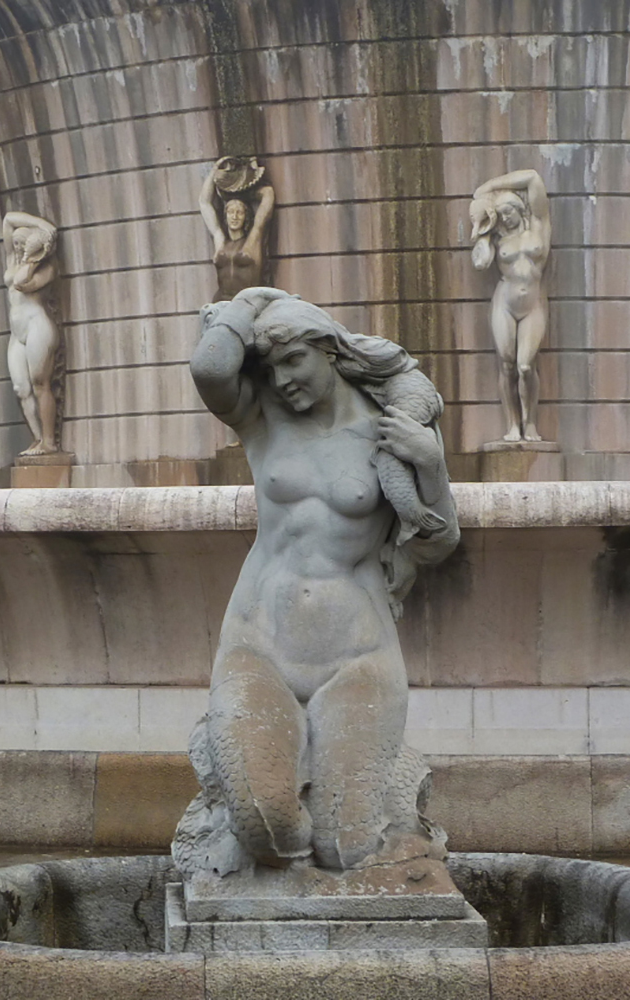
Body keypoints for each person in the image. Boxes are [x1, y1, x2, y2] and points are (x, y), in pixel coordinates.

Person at [176, 287, 458, 874]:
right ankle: (237, 776)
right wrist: (251, 300)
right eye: (271, 368)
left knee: (346, 847)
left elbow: (437, 542)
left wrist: (430, 464)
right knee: (268, 828)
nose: (282, 381)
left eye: (294, 360)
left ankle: (391, 790)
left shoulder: (393, 428)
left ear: (329, 350)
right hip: (259, 648)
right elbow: (210, 369)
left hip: (358, 659)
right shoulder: (262, 417)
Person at [469, 168, 552, 442]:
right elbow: (480, 263)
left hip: (533, 303)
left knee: (525, 366)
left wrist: (487, 188)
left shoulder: (539, 226)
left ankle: (530, 423)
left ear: (520, 209)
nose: (505, 217)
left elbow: (533, 178)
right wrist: (483, 230)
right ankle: (512, 424)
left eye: (508, 211)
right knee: (506, 365)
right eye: (501, 214)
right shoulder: (498, 237)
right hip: (504, 302)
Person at [2, 211, 60, 455]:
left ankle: (49, 442)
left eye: (21, 243)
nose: (16, 247)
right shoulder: (11, 263)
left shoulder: (47, 269)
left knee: (40, 383)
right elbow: (8, 220)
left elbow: (21, 283)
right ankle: (37, 438)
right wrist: (45, 228)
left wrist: (35, 256)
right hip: (17, 332)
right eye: (15, 243)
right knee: (21, 388)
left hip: (38, 325)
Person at [199, 157, 275, 301]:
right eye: (230, 212)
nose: (234, 217)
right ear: (225, 216)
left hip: (247, 303)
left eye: (239, 212)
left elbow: (268, 194)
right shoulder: (221, 241)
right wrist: (215, 170)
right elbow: (204, 202)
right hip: (221, 302)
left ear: (246, 217)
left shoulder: (253, 240)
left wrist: (242, 192)